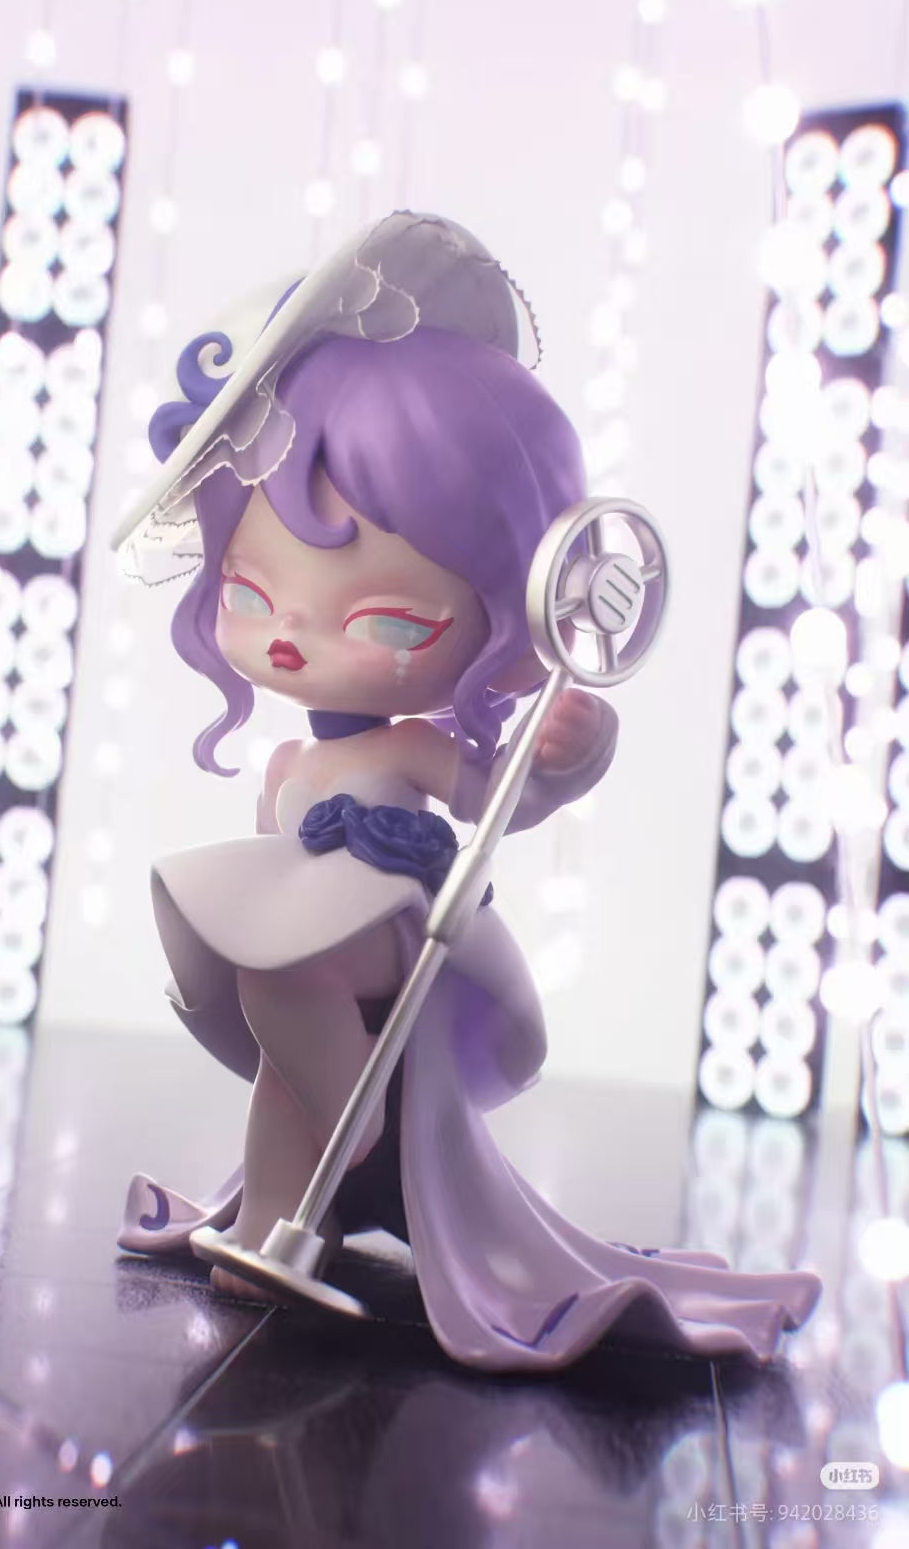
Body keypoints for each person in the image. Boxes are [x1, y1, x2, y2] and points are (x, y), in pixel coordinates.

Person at [116, 212, 820, 1369]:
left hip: (407, 937)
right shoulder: (292, 769)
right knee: (273, 1009)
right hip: (322, 954)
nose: (289, 639)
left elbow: (508, 793)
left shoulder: (408, 752)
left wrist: (566, 754)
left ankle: (353, 1121)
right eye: (249, 595)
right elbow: (278, 869)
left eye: (388, 620)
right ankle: (276, 1215)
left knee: (285, 975)